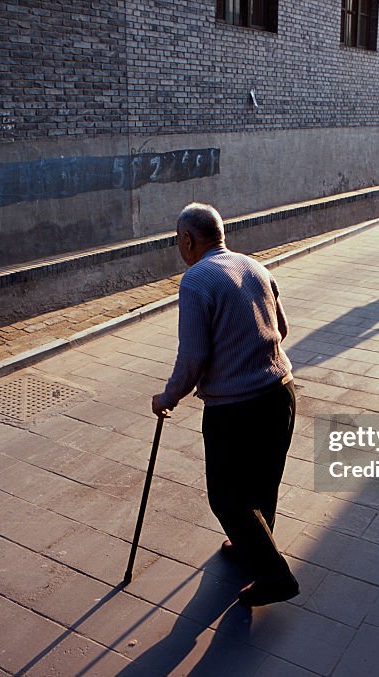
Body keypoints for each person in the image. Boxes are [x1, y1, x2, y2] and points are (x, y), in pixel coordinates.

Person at [151, 203, 299, 607]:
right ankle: (251, 545)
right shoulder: (255, 267)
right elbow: (281, 329)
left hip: (236, 409)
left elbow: (193, 356)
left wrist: (167, 397)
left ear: (187, 239)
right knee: (262, 481)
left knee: (227, 497)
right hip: (281, 391)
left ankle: (274, 576)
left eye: (178, 240)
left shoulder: (196, 280)